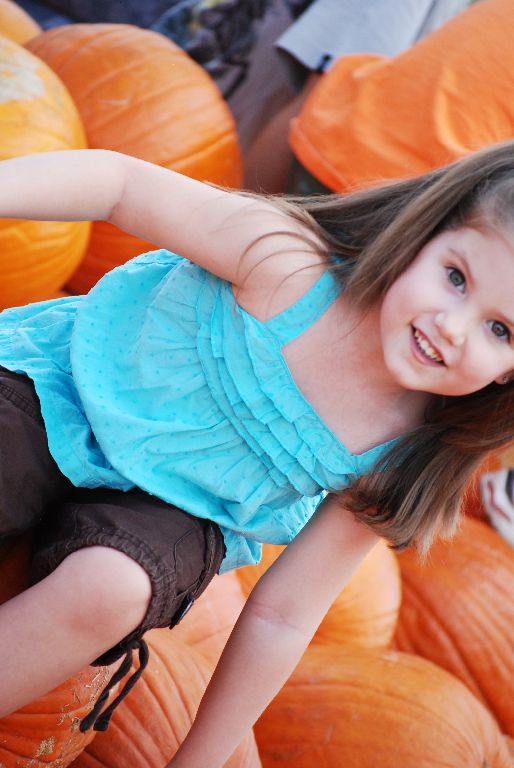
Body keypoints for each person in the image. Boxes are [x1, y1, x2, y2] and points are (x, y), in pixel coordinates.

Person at [2, 140, 514, 764]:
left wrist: (199, 759)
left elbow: (283, 614)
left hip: (179, 509)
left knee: (113, 588)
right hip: (67, 391)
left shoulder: (401, 453)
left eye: (500, 329)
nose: (452, 327)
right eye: (456, 277)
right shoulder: (289, 267)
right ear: (422, 234)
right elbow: (120, 186)